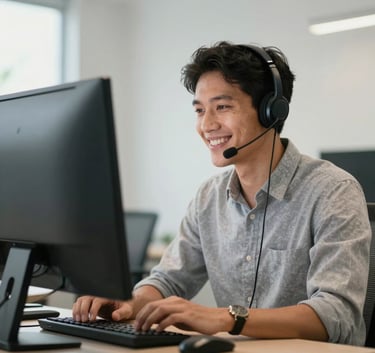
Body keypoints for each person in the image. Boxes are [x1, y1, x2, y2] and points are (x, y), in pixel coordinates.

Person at [72, 41, 371, 346]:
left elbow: (337, 314)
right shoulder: (209, 197)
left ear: (271, 111)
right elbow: (169, 278)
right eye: (200, 110)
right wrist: (130, 303)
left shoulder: (333, 191)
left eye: (222, 107)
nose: (207, 125)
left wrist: (228, 318)